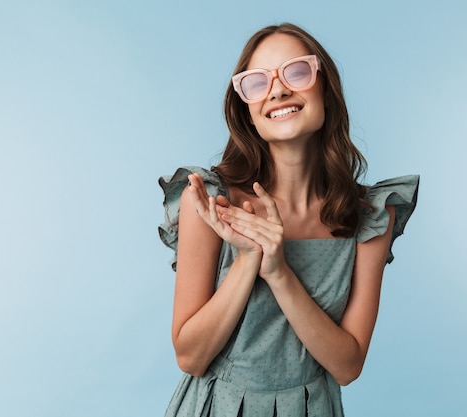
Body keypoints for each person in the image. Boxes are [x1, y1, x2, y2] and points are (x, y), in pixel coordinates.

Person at [158, 22, 419, 417]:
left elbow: (348, 366)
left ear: (325, 90)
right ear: (247, 112)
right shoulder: (212, 202)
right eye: (257, 82)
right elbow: (191, 357)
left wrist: (278, 271)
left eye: (296, 72)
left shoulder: (370, 217)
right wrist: (248, 260)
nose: (278, 90)